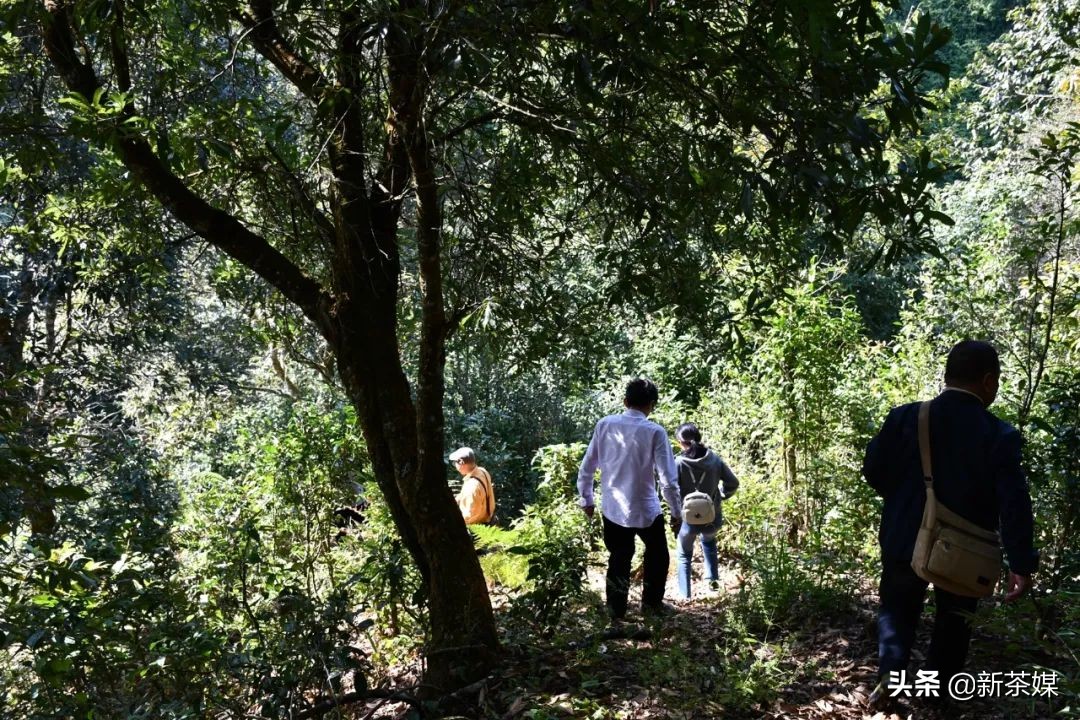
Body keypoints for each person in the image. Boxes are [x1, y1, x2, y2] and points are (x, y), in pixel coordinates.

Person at [862, 340, 1038, 706]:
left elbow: (874, 470)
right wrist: (1020, 563)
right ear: (988, 381)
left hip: (903, 537)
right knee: (954, 623)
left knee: (897, 610)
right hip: (966, 549)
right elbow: (1013, 503)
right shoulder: (999, 435)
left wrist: (905, 503)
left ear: (948, 375)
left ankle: (891, 681)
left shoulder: (905, 417)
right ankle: (936, 696)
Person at [578, 378, 682, 621]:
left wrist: (587, 499)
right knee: (658, 556)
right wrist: (676, 512)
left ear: (625, 401)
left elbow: (588, 465)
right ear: (652, 404)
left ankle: (616, 612)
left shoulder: (605, 424)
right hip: (646, 509)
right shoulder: (655, 431)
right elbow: (668, 479)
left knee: (619, 558)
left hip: (613, 507)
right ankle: (651, 606)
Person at [672, 423, 739, 600]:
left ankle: (685, 595)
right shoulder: (714, 460)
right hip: (712, 516)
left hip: (688, 519)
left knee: (684, 554)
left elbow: (671, 488)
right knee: (709, 544)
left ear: (681, 442)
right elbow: (733, 483)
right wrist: (720, 496)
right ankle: (714, 587)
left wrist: (676, 509)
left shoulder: (678, 463)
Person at [449, 447, 496, 525]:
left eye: (455, 463)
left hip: (479, 526)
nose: (455, 466)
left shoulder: (472, 486)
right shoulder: (482, 471)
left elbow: (470, 516)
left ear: (461, 462)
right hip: (490, 518)